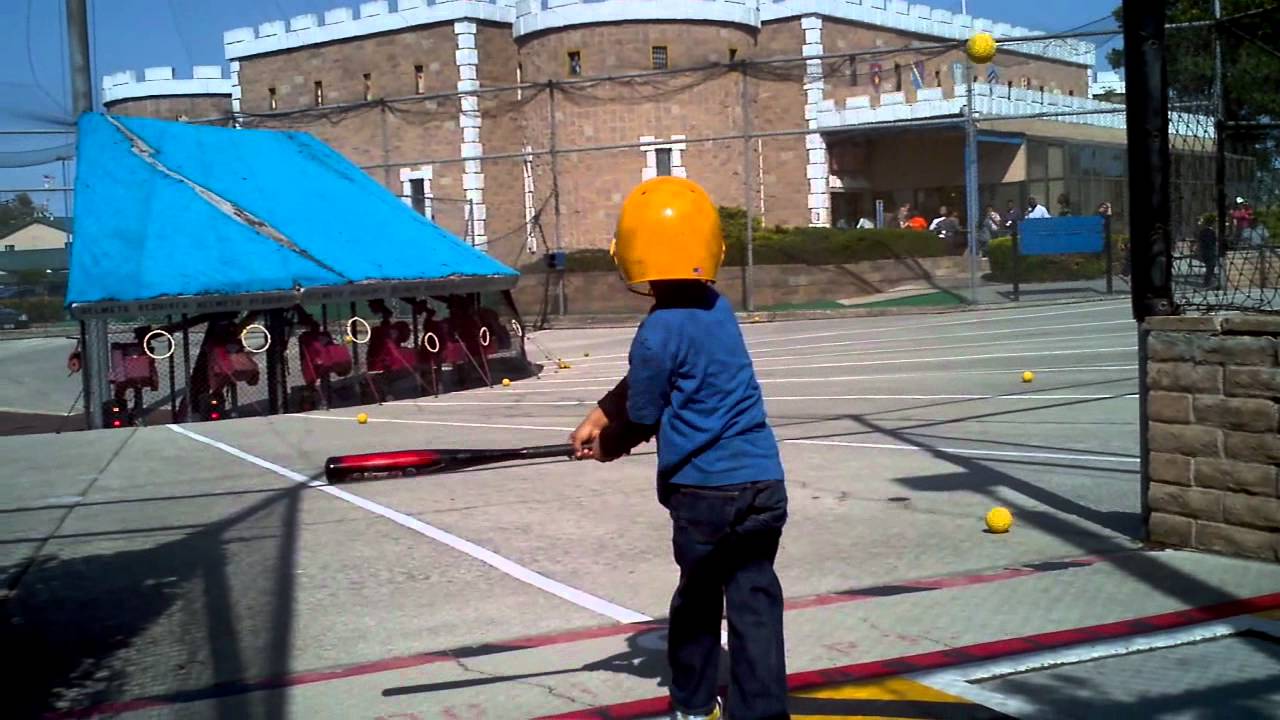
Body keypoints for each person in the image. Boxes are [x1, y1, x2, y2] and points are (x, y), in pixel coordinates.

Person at [570, 176, 789, 720]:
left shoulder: (654, 332)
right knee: (753, 601)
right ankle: (762, 714)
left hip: (704, 493)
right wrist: (600, 416)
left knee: (696, 602)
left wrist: (609, 445)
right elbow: (653, 380)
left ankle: (693, 705)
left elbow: (644, 412)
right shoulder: (718, 307)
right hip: (762, 484)